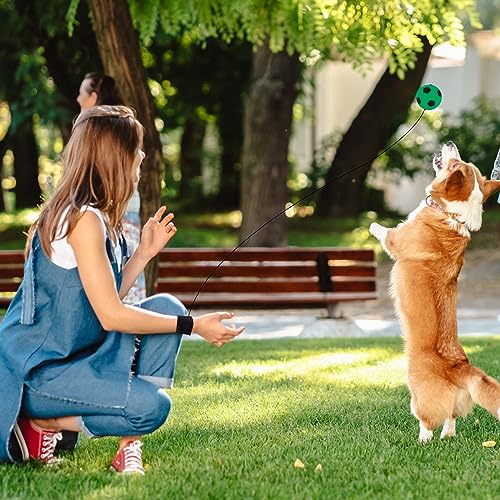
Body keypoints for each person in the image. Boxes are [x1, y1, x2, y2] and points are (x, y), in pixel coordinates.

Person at [0, 105, 244, 474]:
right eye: (136, 149)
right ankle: (43, 422)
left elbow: (103, 298)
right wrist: (193, 326)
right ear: (116, 158)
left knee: (164, 305)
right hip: (36, 374)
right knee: (152, 407)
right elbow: (111, 316)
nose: (142, 156)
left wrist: (144, 252)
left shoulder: (90, 215)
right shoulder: (81, 220)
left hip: (75, 358)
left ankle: (128, 447)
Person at [77, 72, 145, 303]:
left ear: (93, 96)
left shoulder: (111, 130)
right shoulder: (86, 218)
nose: (78, 99)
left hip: (123, 210)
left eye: (81, 93)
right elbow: (109, 311)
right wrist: (190, 324)